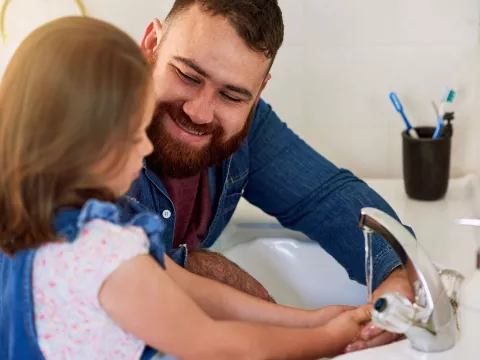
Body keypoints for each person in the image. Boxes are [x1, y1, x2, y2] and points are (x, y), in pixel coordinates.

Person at [0, 15, 375, 360]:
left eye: (230, 94)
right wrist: (329, 339)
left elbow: (189, 287)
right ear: (84, 143)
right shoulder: (106, 255)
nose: (145, 147)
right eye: (134, 135)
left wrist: (309, 320)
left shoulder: (41, 222)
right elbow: (216, 345)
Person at [125, 0, 415, 353]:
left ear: (258, 91)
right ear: (152, 43)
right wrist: (203, 269)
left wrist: (396, 273)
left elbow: (325, 195)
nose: (199, 112)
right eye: (188, 76)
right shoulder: (80, 128)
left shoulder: (247, 128)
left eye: (231, 95)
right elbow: (126, 270)